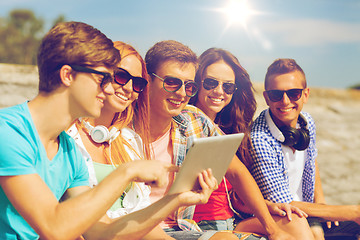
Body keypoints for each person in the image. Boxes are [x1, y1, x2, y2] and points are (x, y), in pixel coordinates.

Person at [0, 22, 217, 240]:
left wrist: (177, 199)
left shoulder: (68, 151)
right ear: (68, 75)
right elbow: (54, 227)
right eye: (103, 78)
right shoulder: (8, 132)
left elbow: (101, 232)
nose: (109, 88)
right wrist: (127, 172)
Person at [145, 40, 315, 240]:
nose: (219, 91)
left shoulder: (208, 125)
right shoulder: (179, 123)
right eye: (210, 83)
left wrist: (270, 219)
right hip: (193, 226)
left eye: (228, 86)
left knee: (294, 222)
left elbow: (237, 177)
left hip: (224, 222)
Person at [250, 58, 360, 240]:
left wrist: (321, 203)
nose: (285, 101)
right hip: (280, 219)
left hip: (307, 211)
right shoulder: (259, 140)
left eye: (294, 93)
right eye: (276, 95)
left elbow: (312, 160)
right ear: (267, 97)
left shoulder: (306, 122)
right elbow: (284, 204)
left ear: (306, 94)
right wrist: (353, 212)